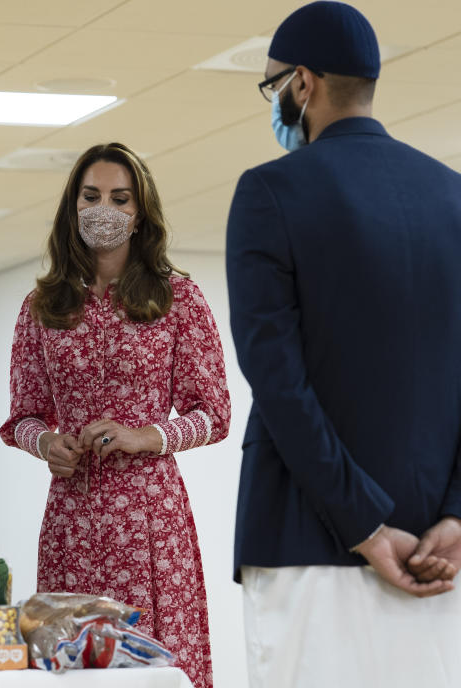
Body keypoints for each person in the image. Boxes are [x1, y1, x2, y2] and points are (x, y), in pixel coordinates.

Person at [226, 3, 461, 686]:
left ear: (304, 83)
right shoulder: (453, 198)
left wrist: (362, 522)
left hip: (309, 543)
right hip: (436, 557)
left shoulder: (271, 192)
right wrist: (454, 512)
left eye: (274, 88)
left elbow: (278, 381)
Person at [0, 142, 230, 688]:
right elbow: (22, 417)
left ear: (139, 214)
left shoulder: (180, 298)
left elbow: (214, 413)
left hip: (151, 519)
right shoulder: (41, 306)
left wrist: (146, 436)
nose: (104, 208)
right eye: (92, 196)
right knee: (70, 665)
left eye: (120, 198)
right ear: (72, 207)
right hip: (71, 519)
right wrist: (46, 444)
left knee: (157, 664)